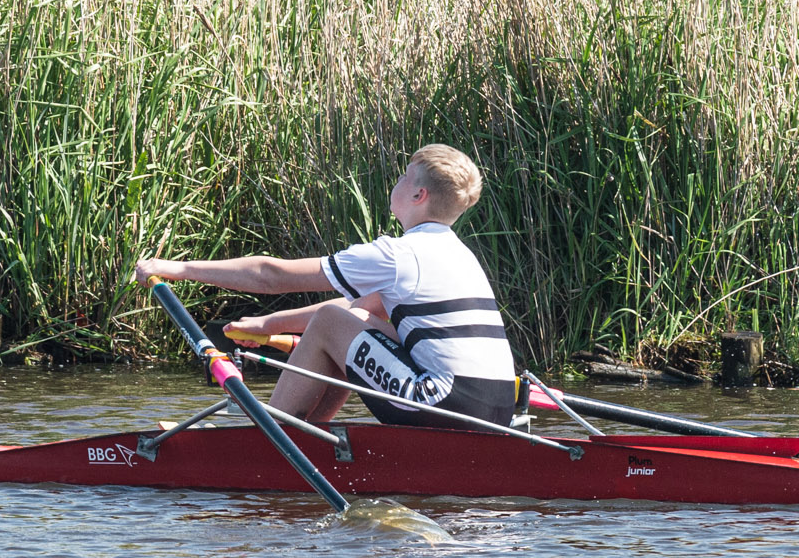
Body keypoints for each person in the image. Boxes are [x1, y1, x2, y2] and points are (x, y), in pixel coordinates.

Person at [132, 144, 517, 428]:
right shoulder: (459, 255)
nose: (396, 181)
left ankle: (271, 435)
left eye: (404, 176)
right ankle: (306, 434)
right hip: (496, 411)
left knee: (332, 320)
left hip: (440, 405)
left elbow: (271, 275)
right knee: (352, 318)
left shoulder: (398, 254)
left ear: (419, 195)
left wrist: (177, 267)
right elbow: (361, 311)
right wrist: (269, 325)